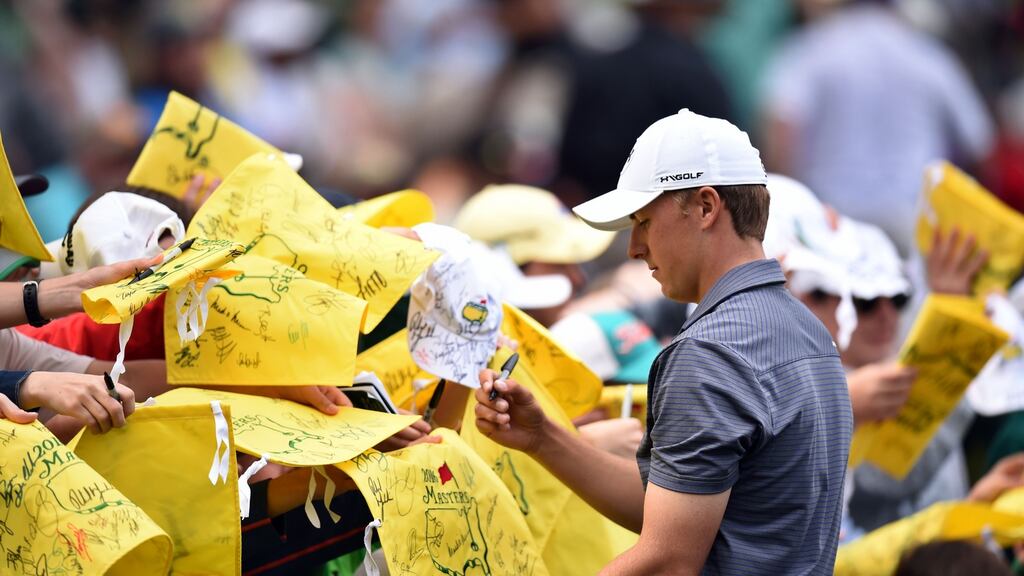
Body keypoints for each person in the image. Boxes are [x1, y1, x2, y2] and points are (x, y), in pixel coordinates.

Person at [475, 109, 851, 574]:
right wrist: (543, 438)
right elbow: (677, 510)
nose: (633, 247)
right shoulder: (807, 328)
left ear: (707, 207)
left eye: (644, 222)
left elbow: (669, 559)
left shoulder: (710, 352)